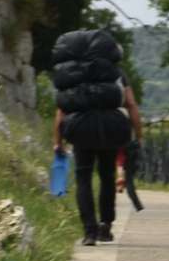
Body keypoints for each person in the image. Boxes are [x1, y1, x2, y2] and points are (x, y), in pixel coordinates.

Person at [50, 29, 142, 246]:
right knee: (107, 176)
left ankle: (89, 232)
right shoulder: (115, 73)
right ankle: (105, 226)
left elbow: (62, 109)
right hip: (109, 127)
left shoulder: (72, 74)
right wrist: (138, 135)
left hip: (80, 128)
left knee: (83, 177)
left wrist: (57, 141)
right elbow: (130, 104)